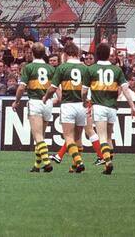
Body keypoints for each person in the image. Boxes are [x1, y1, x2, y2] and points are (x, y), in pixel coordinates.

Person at [88, 42, 135, 175]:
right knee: (109, 137)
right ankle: (108, 164)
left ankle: (107, 162)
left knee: (102, 137)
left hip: (99, 106)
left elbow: (84, 91)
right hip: (112, 108)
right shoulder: (117, 70)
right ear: (109, 55)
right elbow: (126, 90)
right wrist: (132, 107)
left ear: (97, 55)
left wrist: (84, 102)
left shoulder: (91, 69)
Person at [12, 42, 54, 172]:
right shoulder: (51, 68)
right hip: (48, 102)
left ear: (32, 53)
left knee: (37, 136)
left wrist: (17, 101)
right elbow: (54, 87)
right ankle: (37, 165)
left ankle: (47, 162)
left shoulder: (29, 67)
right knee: (41, 135)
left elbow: (21, 87)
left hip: (35, 101)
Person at [46, 42, 88, 174]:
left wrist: (46, 96)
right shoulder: (85, 68)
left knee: (68, 136)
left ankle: (79, 161)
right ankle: (75, 166)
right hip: (81, 105)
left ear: (65, 54)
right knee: (78, 137)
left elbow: (53, 88)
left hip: (68, 104)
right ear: (77, 54)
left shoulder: (62, 68)